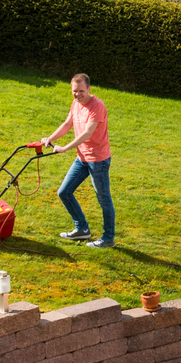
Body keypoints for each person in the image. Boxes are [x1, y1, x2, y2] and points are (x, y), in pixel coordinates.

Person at [39, 71, 115, 247]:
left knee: (104, 199)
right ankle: (82, 229)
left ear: (88, 88)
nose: (77, 94)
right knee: (64, 192)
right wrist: (50, 138)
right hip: (82, 157)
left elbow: (87, 133)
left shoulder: (97, 106)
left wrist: (65, 148)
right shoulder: (76, 103)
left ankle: (108, 238)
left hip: (98, 160)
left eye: (81, 91)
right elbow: (67, 124)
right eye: (74, 91)